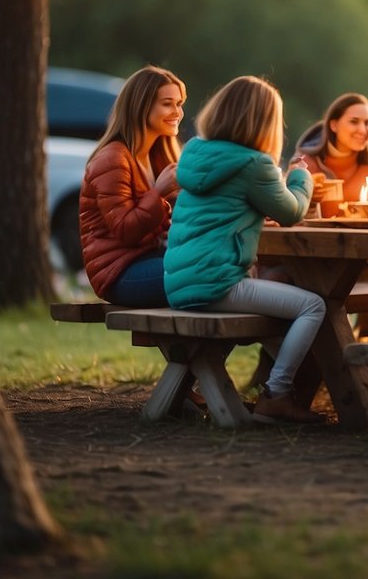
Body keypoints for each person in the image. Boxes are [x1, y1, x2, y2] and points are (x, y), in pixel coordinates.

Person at [163, 76, 326, 425]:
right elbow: (292, 212)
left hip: (180, 284)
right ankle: (276, 395)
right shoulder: (255, 164)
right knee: (313, 305)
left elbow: (227, 206)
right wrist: (300, 177)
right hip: (216, 284)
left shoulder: (195, 153)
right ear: (265, 121)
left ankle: (280, 389)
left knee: (277, 314)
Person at [79, 65, 186, 307]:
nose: (177, 112)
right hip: (120, 272)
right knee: (203, 275)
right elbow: (126, 230)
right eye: (168, 104)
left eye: (179, 104)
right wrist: (158, 193)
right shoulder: (112, 159)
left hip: (152, 257)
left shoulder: (159, 155)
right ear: (141, 106)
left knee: (222, 265)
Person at [291, 92, 368, 201]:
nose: (362, 130)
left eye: (367, 123)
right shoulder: (306, 165)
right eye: (354, 121)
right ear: (334, 125)